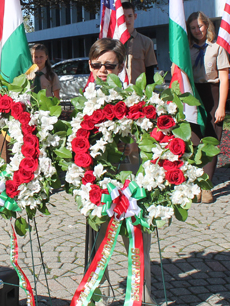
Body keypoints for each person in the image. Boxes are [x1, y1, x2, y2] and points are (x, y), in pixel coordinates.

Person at [86, 38, 154, 305]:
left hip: (130, 182)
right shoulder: (84, 99)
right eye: (97, 64)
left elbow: (150, 138)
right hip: (97, 187)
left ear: (121, 66)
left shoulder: (134, 97)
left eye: (109, 66)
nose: (103, 70)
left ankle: (143, 298)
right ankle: (93, 297)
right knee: (97, 247)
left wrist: (134, 145)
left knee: (137, 246)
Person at [186, 11, 229, 204]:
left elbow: (224, 79)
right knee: (194, 141)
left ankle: (207, 187)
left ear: (207, 26)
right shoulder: (186, 49)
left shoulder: (217, 48)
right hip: (193, 95)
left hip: (212, 94)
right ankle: (195, 184)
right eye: (193, 27)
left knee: (210, 141)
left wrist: (221, 107)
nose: (197, 30)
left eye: (200, 26)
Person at [122, 2, 158, 84]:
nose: (127, 20)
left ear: (135, 16)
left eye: (130, 16)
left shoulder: (146, 42)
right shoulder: (113, 42)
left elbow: (150, 71)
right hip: (117, 92)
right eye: (124, 17)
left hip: (139, 92)